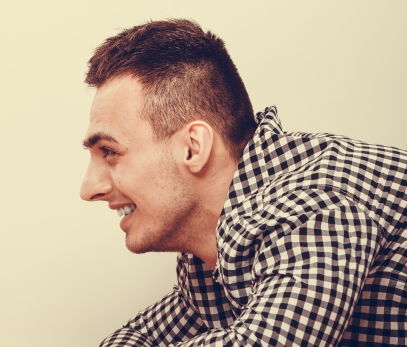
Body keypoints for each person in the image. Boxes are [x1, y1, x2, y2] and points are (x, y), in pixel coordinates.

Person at [80, 19, 407, 346]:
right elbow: (140, 337)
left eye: (109, 151)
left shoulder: (314, 203)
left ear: (193, 148)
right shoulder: (211, 258)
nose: (89, 188)